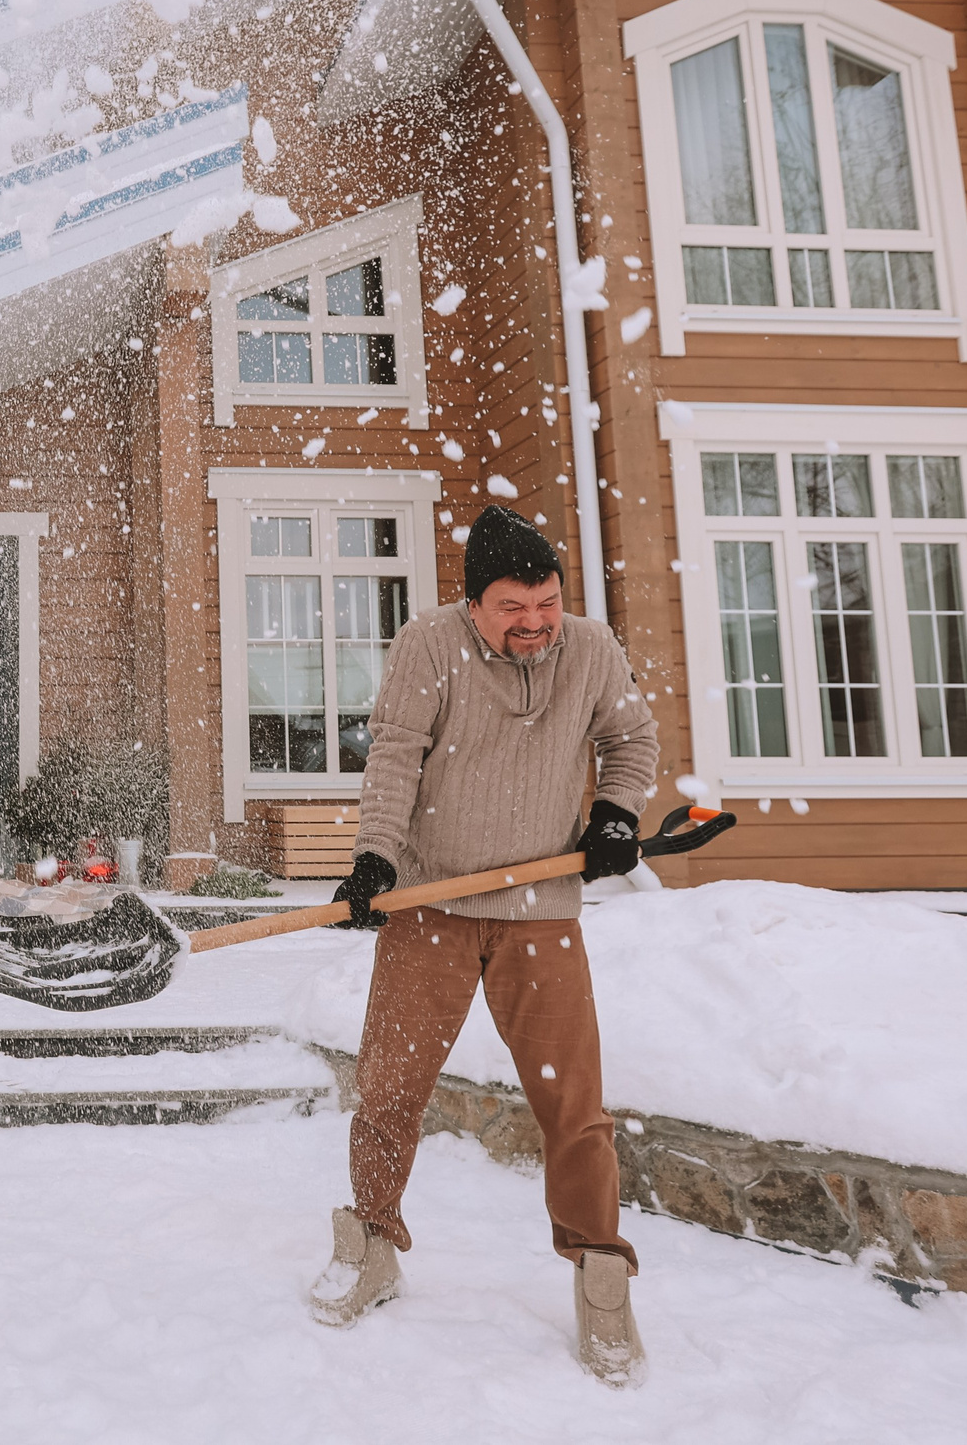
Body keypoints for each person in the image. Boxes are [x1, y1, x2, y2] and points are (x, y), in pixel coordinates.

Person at [307, 505, 659, 1387]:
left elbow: (630, 740)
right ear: (472, 606)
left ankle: (601, 1273)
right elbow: (395, 756)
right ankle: (372, 1241)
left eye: (547, 603)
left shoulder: (591, 648)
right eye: (513, 607)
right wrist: (374, 859)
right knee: (390, 1088)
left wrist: (617, 814)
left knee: (575, 1106)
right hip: (432, 904)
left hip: (542, 910)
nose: (535, 623)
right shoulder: (429, 646)